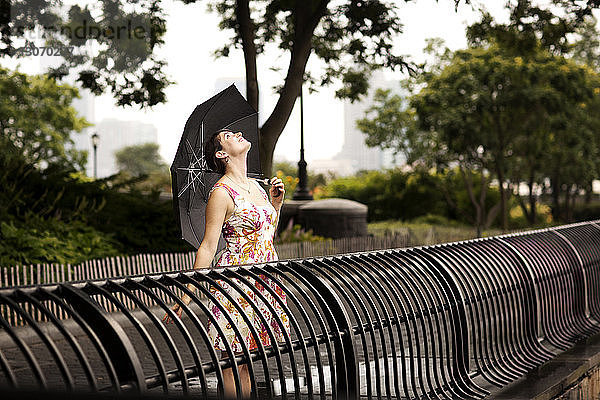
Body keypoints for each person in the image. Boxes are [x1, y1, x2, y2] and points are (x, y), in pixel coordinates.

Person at [162, 128, 290, 399]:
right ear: (221, 154)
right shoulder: (221, 193)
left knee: (250, 363)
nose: (239, 133)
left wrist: (276, 206)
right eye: (229, 136)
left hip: (265, 280)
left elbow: (265, 236)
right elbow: (208, 246)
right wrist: (188, 292)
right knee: (233, 362)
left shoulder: (257, 187)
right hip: (236, 283)